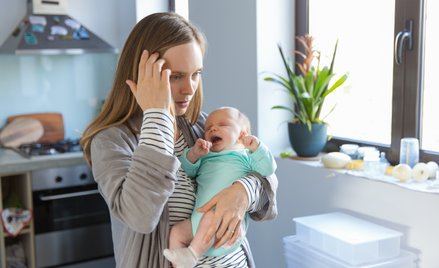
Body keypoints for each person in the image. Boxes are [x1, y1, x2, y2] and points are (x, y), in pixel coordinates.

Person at [79, 12, 278, 268]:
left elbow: (266, 178)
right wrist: (157, 115)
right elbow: (141, 216)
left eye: (196, 73)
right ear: (141, 77)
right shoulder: (111, 141)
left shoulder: (202, 128)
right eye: (175, 76)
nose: (190, 88)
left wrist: (241, 192)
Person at [163, 107, 277, 268]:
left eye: (223, 125)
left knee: (212, 215)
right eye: (208, 128)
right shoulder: (206, 157)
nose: (213, 129)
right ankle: (179, 263)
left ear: (242, 134)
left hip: (223, 226)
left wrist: (257, 148)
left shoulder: (245, 157)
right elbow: (186, 170)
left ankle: (192, 254)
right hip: (197, 222)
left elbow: (268, 171)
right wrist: (194, 154)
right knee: (177, 232)